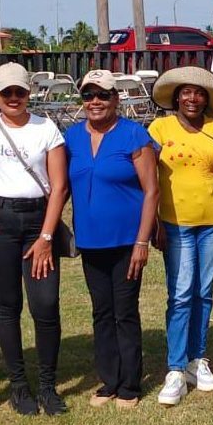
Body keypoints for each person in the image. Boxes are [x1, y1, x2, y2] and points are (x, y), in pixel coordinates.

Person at [0, 63, 71, 417]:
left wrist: (46, 236)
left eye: (20, 92)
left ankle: (47, 385)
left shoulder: (46, 128)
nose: (14, 98)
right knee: (8, 304)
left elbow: (59, 185)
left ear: (30, 93)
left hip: (37, 220)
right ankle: (18, 384)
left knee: (45, 305)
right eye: (6, 92)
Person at [65, 70, 159, 407]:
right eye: (88, 96)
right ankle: (109, 381)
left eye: (102, 95)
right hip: (90, 241)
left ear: (115, 99)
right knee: (101, 312)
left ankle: (131, 385)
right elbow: (62, 187)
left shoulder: (134, 134)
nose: (95, 102)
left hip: (126, 242)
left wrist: (142, 242)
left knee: (125, 311)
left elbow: (151, 191)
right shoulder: (72, 137)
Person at [148, 66, 213, 407]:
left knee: (203, 292)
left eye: (199, 93)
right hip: (174, 222)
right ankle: (176, 368)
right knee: (181, 294)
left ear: (206, 98)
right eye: (186, 92)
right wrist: (151, 219)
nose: (192, 98)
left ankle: (198, 360)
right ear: (176, 96)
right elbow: (146, 176)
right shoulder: (160, 127)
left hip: (212, 220)